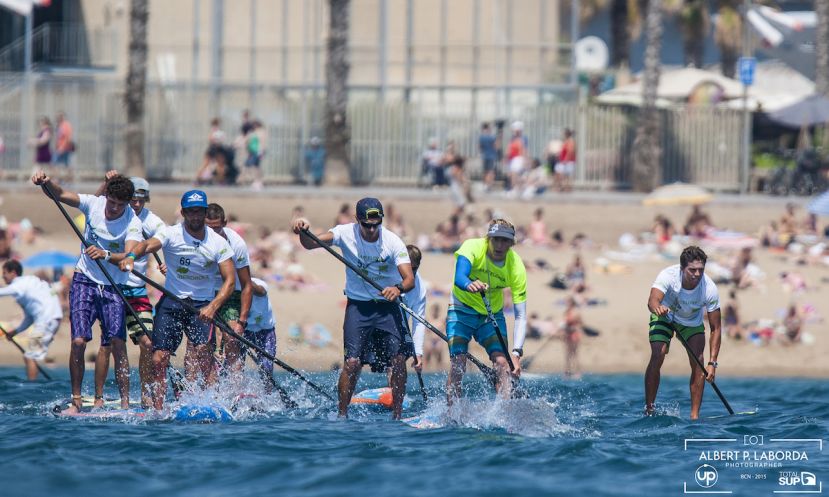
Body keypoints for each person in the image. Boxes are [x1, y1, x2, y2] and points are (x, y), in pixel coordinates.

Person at [291, 197, 415, 419]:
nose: (371, 229)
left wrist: (397, 288)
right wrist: (302, 229)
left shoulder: (393, 241)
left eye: (376, 224)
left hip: (388, 307)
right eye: (366, 225)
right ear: (358, 220)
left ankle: (397, 416)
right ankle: (342, 415)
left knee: (397, 360)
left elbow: (409, 279)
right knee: (352, 362)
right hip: (359, 307)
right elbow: (310, 244)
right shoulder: (344, 233)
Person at [32, 170, 142, 413]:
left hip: (113, 285)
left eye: (119, 205)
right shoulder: (94, 203)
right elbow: (58, 195)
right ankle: (77, 401)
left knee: (116, 342)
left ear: (127, 204)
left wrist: (107, 255)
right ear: (107, 197)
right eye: (111, 202)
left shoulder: (132, 222)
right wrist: (46, 182)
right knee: (79, 341)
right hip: (84, 279)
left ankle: (124, 404)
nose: (113, 208)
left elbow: (129, 255)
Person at [118, 190, 236, 410]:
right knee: (158, 358)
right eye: (190, 212)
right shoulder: (171, 233)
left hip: (202, 305)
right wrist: (131, 256)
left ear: (204, 212)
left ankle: (214, 403)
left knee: (203, 353)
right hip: (172, 303)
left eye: (199, 211)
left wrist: (213, 307)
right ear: (183, 213)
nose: (195, 216)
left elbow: (230, 282)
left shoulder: (218, 243)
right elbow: (147, 245)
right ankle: (159, 410)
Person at [94, 172, 166, 407]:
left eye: (140, 200)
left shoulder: (149, 220)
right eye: (132, 199)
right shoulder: (111, 213)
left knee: (148, 342)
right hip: (111, 287)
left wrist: (168, 263)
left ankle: (145, 392)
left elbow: (170, 236)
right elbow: (90, 208)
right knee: (111, 344)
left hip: (136, 291)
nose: (135, 204)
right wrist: (105, 183)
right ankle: (105, 398)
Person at [446, 218, 528, 404]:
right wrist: (469, 284)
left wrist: (516, 353)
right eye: (495, 239)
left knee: (502, 363)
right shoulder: (472, 247)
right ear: (487, 238)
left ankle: (505, 415)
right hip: (461, 309)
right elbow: (459, 276)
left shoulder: (516, 267)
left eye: (505, 241)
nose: (499, 245)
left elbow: (521, 315)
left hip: (491, 315)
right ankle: (451, 414)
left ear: (511, 243)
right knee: (458, 362)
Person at [645, 245, 721, 420]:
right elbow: (652, 301)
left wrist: (713, 363)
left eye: (700, 270)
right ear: (682, 268)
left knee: (699, 362)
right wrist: (658, 308)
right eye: (692, 270)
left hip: (690, 323)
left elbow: (716, 328)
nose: (696, 274)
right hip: (665, 315)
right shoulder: (668, 276)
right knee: (659, 353)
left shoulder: (709, 288)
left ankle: (694, 417)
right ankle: (649, 410)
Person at [200, 203, 253, 378]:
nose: (213, 233)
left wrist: (242, 322)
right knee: (199, 344)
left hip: (230, 293)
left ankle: (234, 387)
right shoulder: (196, 238)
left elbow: (246, 285)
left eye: (217, 227)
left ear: (225, 223)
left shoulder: (237, 243)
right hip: (204, 293)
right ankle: (196, 389)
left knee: (231, 338)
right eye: (209, 228)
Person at [0, 260, 63, 380]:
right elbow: (30, 318)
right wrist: (16, 331)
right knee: (31, 355)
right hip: (52, 319)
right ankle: (35, 384)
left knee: (29, 356)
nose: (3, 276)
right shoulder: (29, 284)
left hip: (46, 321)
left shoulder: (19, 285)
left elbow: (3, 292)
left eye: (4, 273)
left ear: (13, 273)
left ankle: (32, 388)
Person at [240, 277, 277, 391]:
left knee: (266, 366)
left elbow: (261, 292)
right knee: (235, 362)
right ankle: (235, 390)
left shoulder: (259, 283)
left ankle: (268, 393)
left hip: (265, 331)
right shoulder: (230, 287)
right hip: (244, 330)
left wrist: (242, 280)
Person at [562, 296, 582, 379]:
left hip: (574, 335)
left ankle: (577, 372)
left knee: (574, 354)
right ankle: (567, 372)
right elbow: (564, 323)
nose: (567, 304)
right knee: (567, 354)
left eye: (568, 302)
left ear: (572, 303)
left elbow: (580, 323)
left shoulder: (576, 312)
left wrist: (573, 328)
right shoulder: (566, 312)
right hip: (568, 334)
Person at [53, 111, 74, 184]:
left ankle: (63, 179)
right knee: (65, 164)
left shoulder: (65, 125)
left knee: (56, 163)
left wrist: (62, 147)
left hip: (63, 148)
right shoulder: (60, 125)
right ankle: (66, 179)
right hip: (61, 147)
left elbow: (67, 137)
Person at [479, 123, 498, 191]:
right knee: (491, 171)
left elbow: (480, 148)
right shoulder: (492, 137)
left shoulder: (481, 137)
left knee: (485, 171)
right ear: (488, 128)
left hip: (484, 156)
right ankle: (489, 185)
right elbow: (496, 147)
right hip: (492, 156)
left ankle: (485, 185)